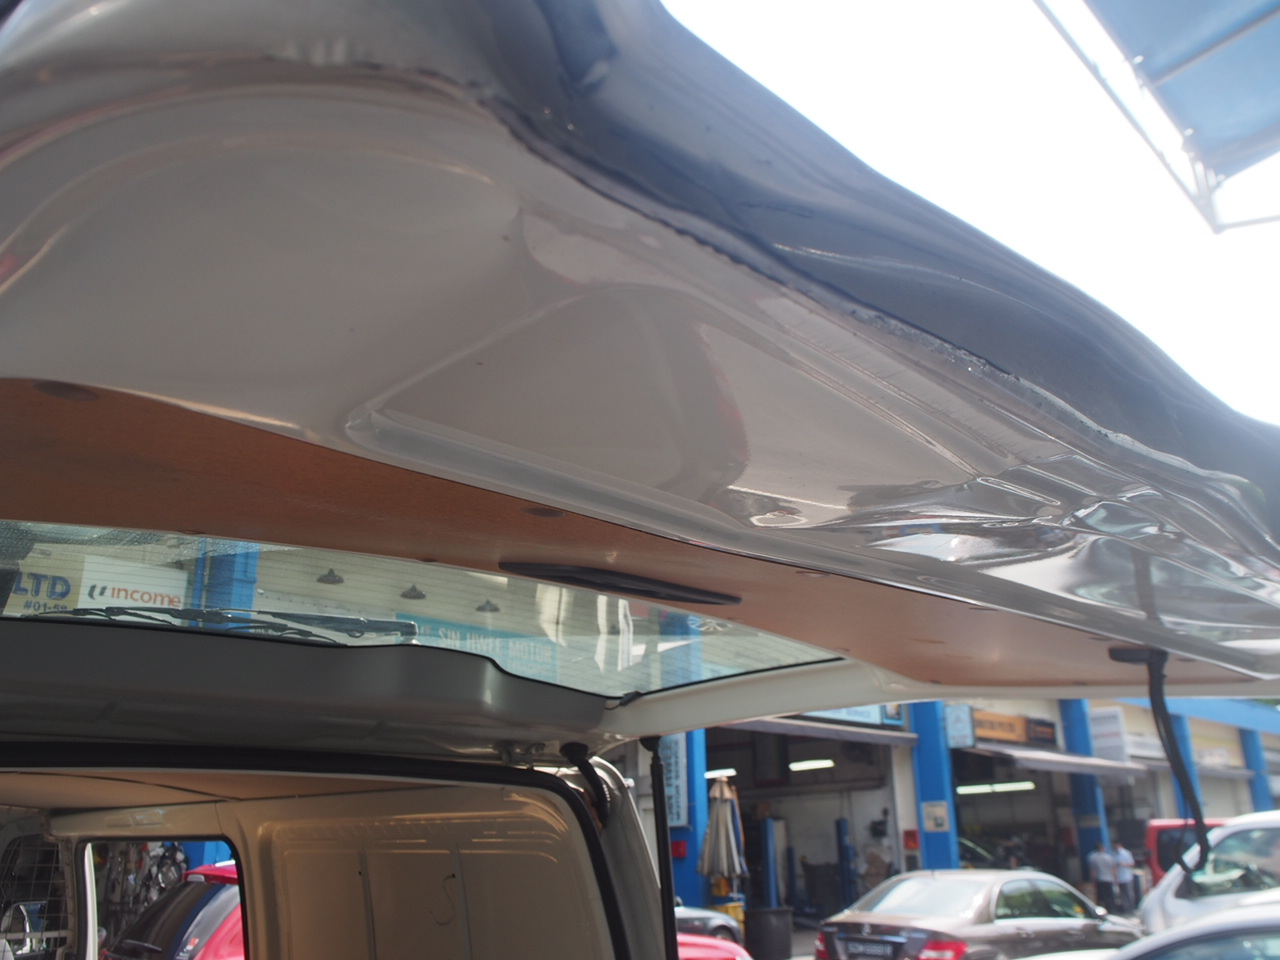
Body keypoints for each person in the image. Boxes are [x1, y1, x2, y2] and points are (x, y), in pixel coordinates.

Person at [1088, 841, 1117, 912]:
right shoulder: (1109, 857)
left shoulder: (1094, 858)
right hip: (1109, 879)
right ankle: (1112, 910)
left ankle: (1104, 909)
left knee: (1102, 896)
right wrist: (1115, 879)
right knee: (1110, 896)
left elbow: (1093, 871)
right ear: (1103, 849)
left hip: (1100, 879)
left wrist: (1093, 881)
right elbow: (1114, 869)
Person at [1112, 841, 1135, 912]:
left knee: (1128, 893)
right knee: (1122, 894)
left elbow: (1132, 864)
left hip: (1126, 877)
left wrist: (1123, 864)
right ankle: (1125, 908)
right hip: (1119, 877)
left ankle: (1131, 908)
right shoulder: (1114, 854)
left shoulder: (1126, 853)